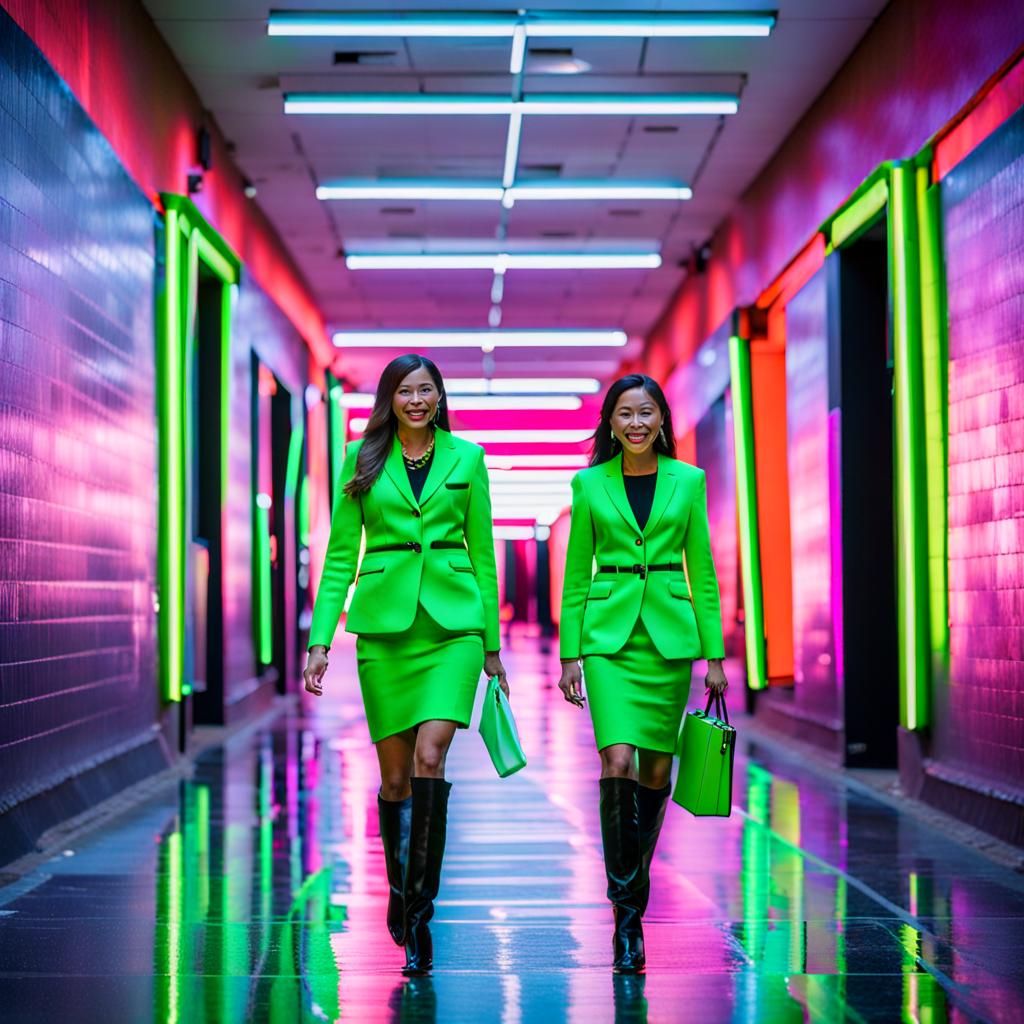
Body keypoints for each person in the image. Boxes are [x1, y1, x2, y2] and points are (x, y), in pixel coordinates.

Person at [303, 353, 508, 976]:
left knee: (430, 757)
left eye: (427, 390)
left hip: (454, 631)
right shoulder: (361, 460)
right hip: (386, 633)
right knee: (394, 781)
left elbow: (483, 554)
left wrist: (492, 644)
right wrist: (320, 641)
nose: (417, 400)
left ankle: (420, 913)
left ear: (440, 397)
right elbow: (341, 556)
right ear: (390, 399)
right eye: (405, 391)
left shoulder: (467, 459)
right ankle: (401, 887)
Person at [556, 373, 727, 974]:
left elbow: (701, 571)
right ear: (610, 422)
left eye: (645, 413)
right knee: (618, 760)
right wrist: (569, 652)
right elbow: (577, 573)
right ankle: (627, 914)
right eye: (624, 413)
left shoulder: (688, 482)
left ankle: (633, 870)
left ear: (661, 421)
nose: (634, 423)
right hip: (608, 642)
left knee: (656, 769)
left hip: (667, 640)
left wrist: (715, 656)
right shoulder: (588, 485)